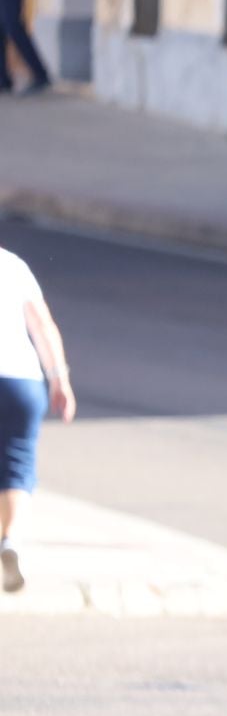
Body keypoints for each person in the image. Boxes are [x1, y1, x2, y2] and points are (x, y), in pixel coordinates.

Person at [0, 244, 72, 591]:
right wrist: (60, 378)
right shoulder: (13, 264)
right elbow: (43, 325)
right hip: (23, 381)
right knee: (18, 466)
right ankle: (11, 540)